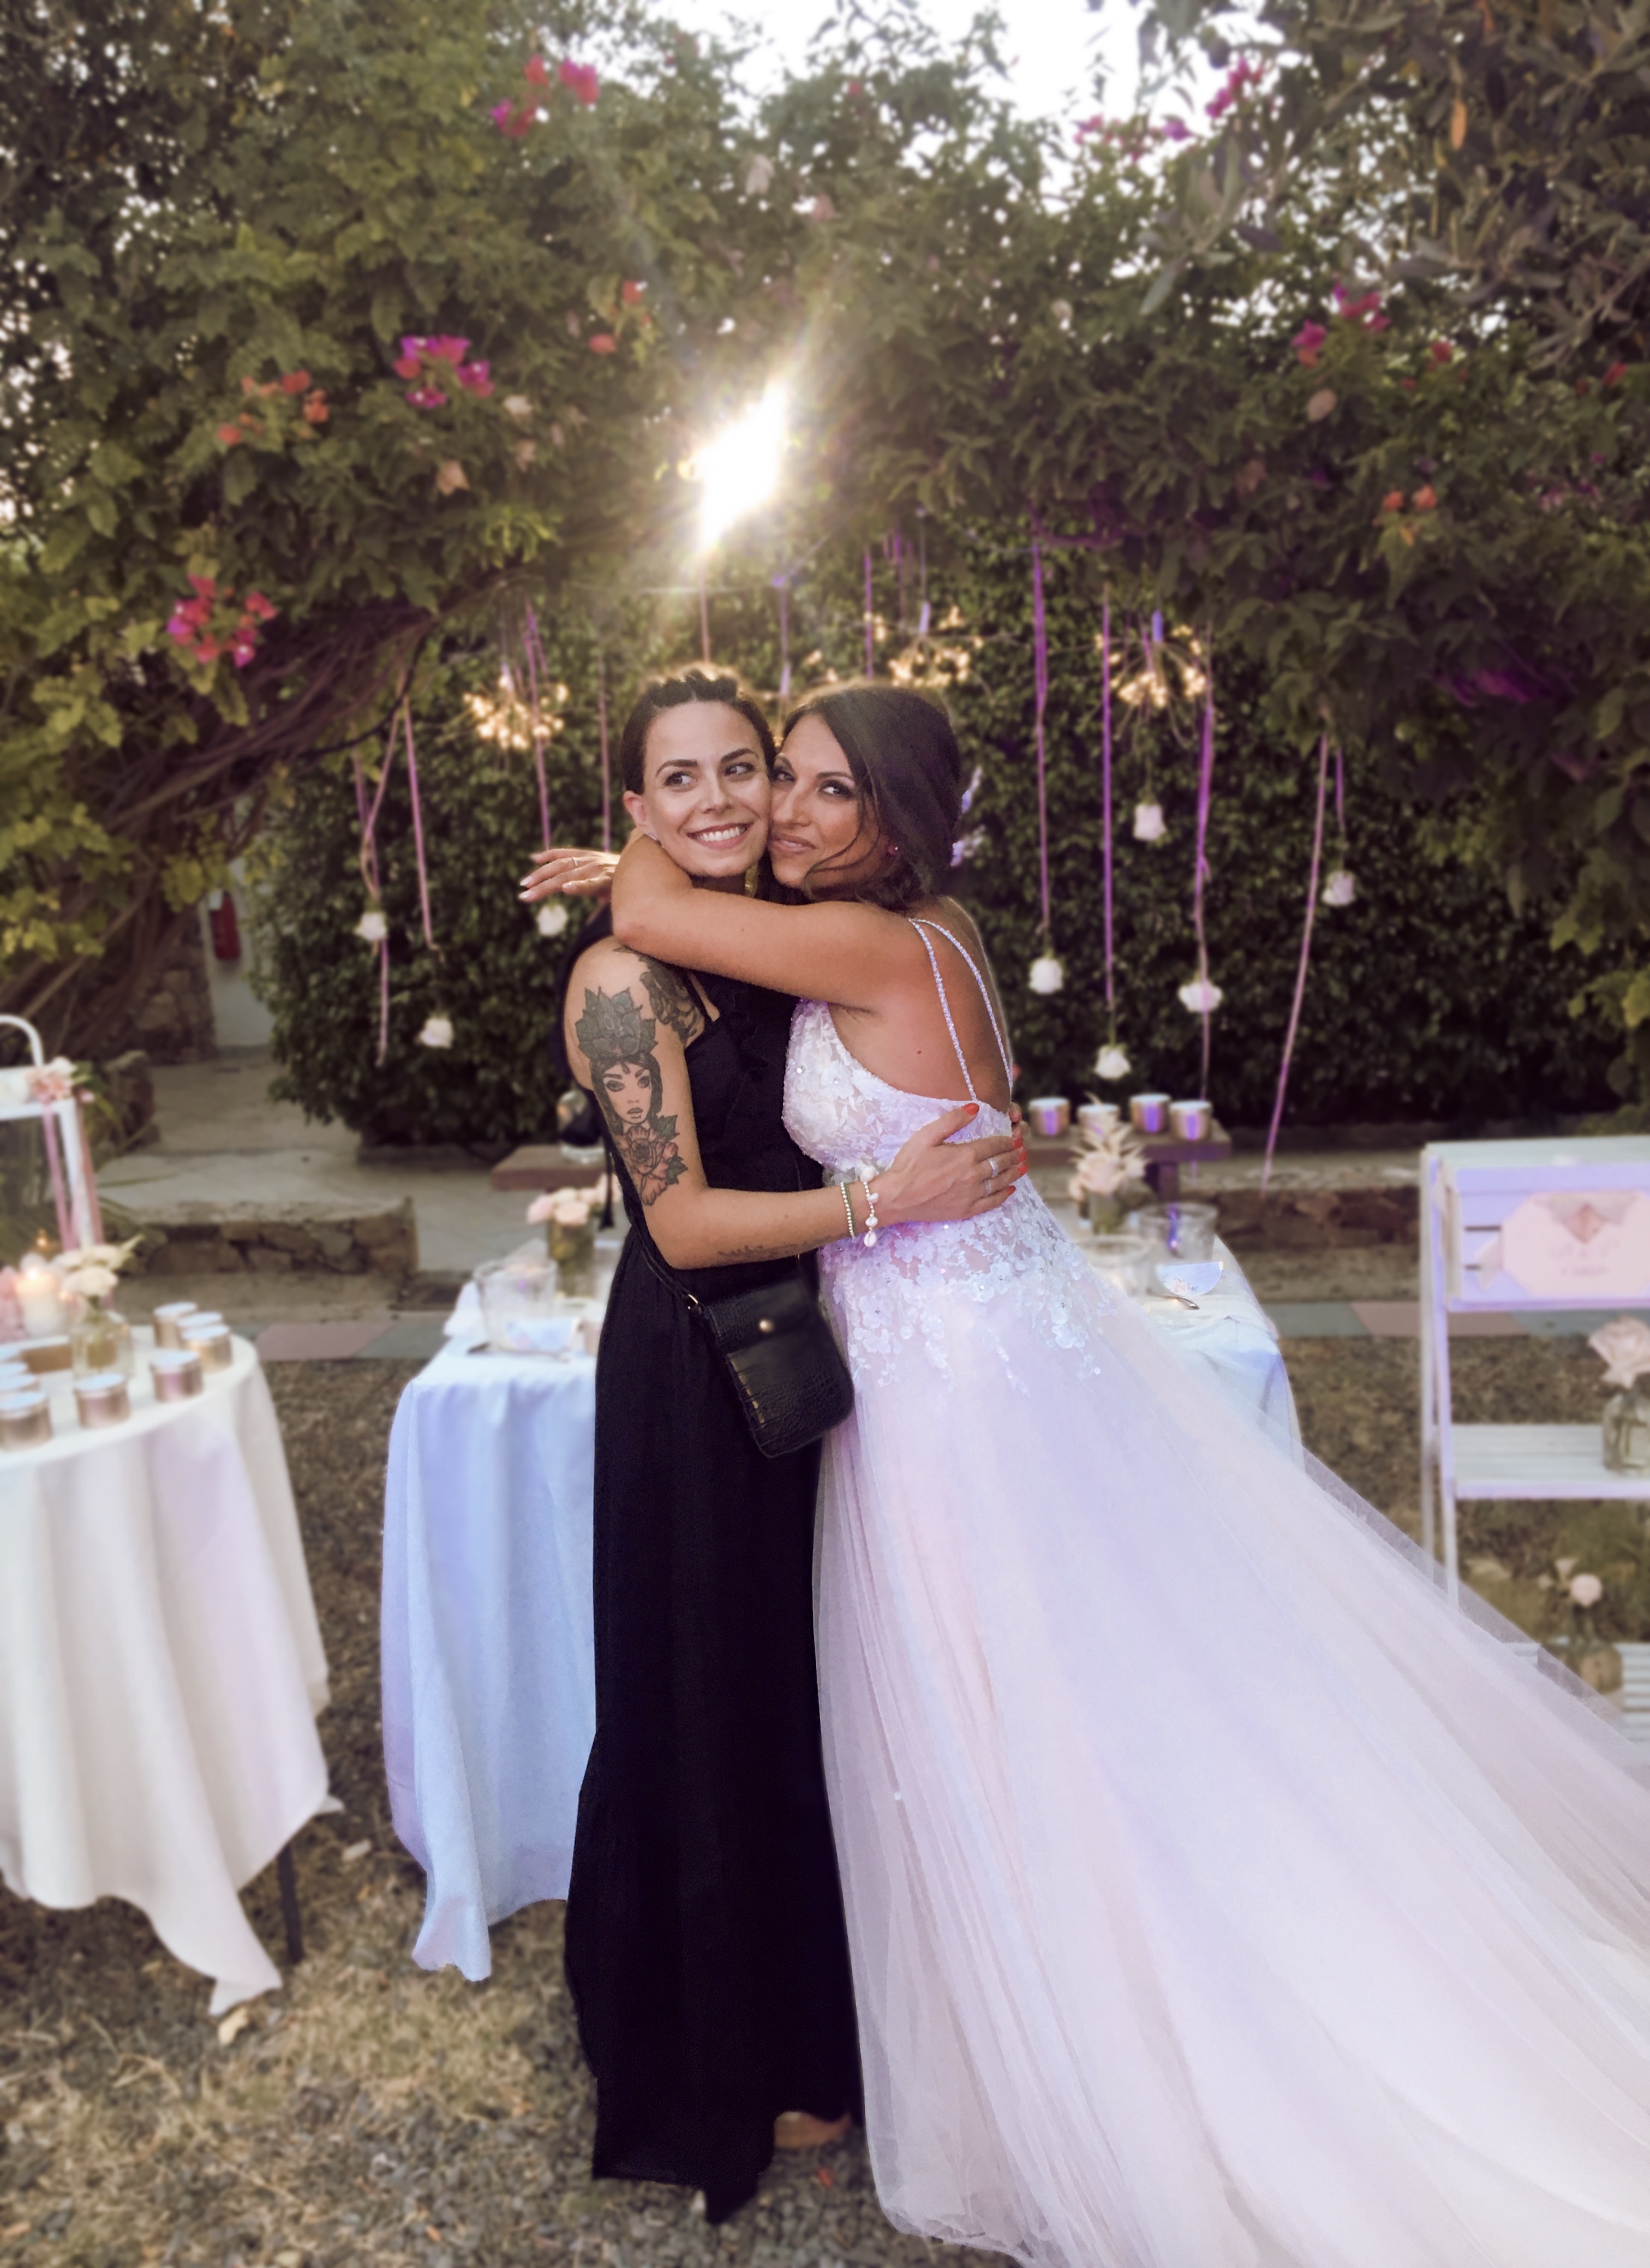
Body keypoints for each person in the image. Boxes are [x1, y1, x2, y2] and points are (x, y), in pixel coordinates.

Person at [531, 683, 1650, 2268]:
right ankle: (1020, 2009)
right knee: (1059, 1689)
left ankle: (1112, 2039)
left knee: (1009, 1706)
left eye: (821, 788)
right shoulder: (926, 929)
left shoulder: (859, 942)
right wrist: (660, 856)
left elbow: (656, 913)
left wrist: (638, 856)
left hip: (946, 1371)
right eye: (776, 778)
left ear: (898, 820)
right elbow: (667, 937)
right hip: (965, 1331)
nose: (780, 808)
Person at [549, 670, 1024, 2227]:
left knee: (817, 1699)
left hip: (828, 1361)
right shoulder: (627, 981)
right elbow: (682, 1223)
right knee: (718, 1697)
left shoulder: (779, 931)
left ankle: (846, 2028)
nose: (723, 800)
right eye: (676, 779)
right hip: (702, 1369)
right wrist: (887, 1202)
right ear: (636, 805)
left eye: (743, 768)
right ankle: (729, 2056)